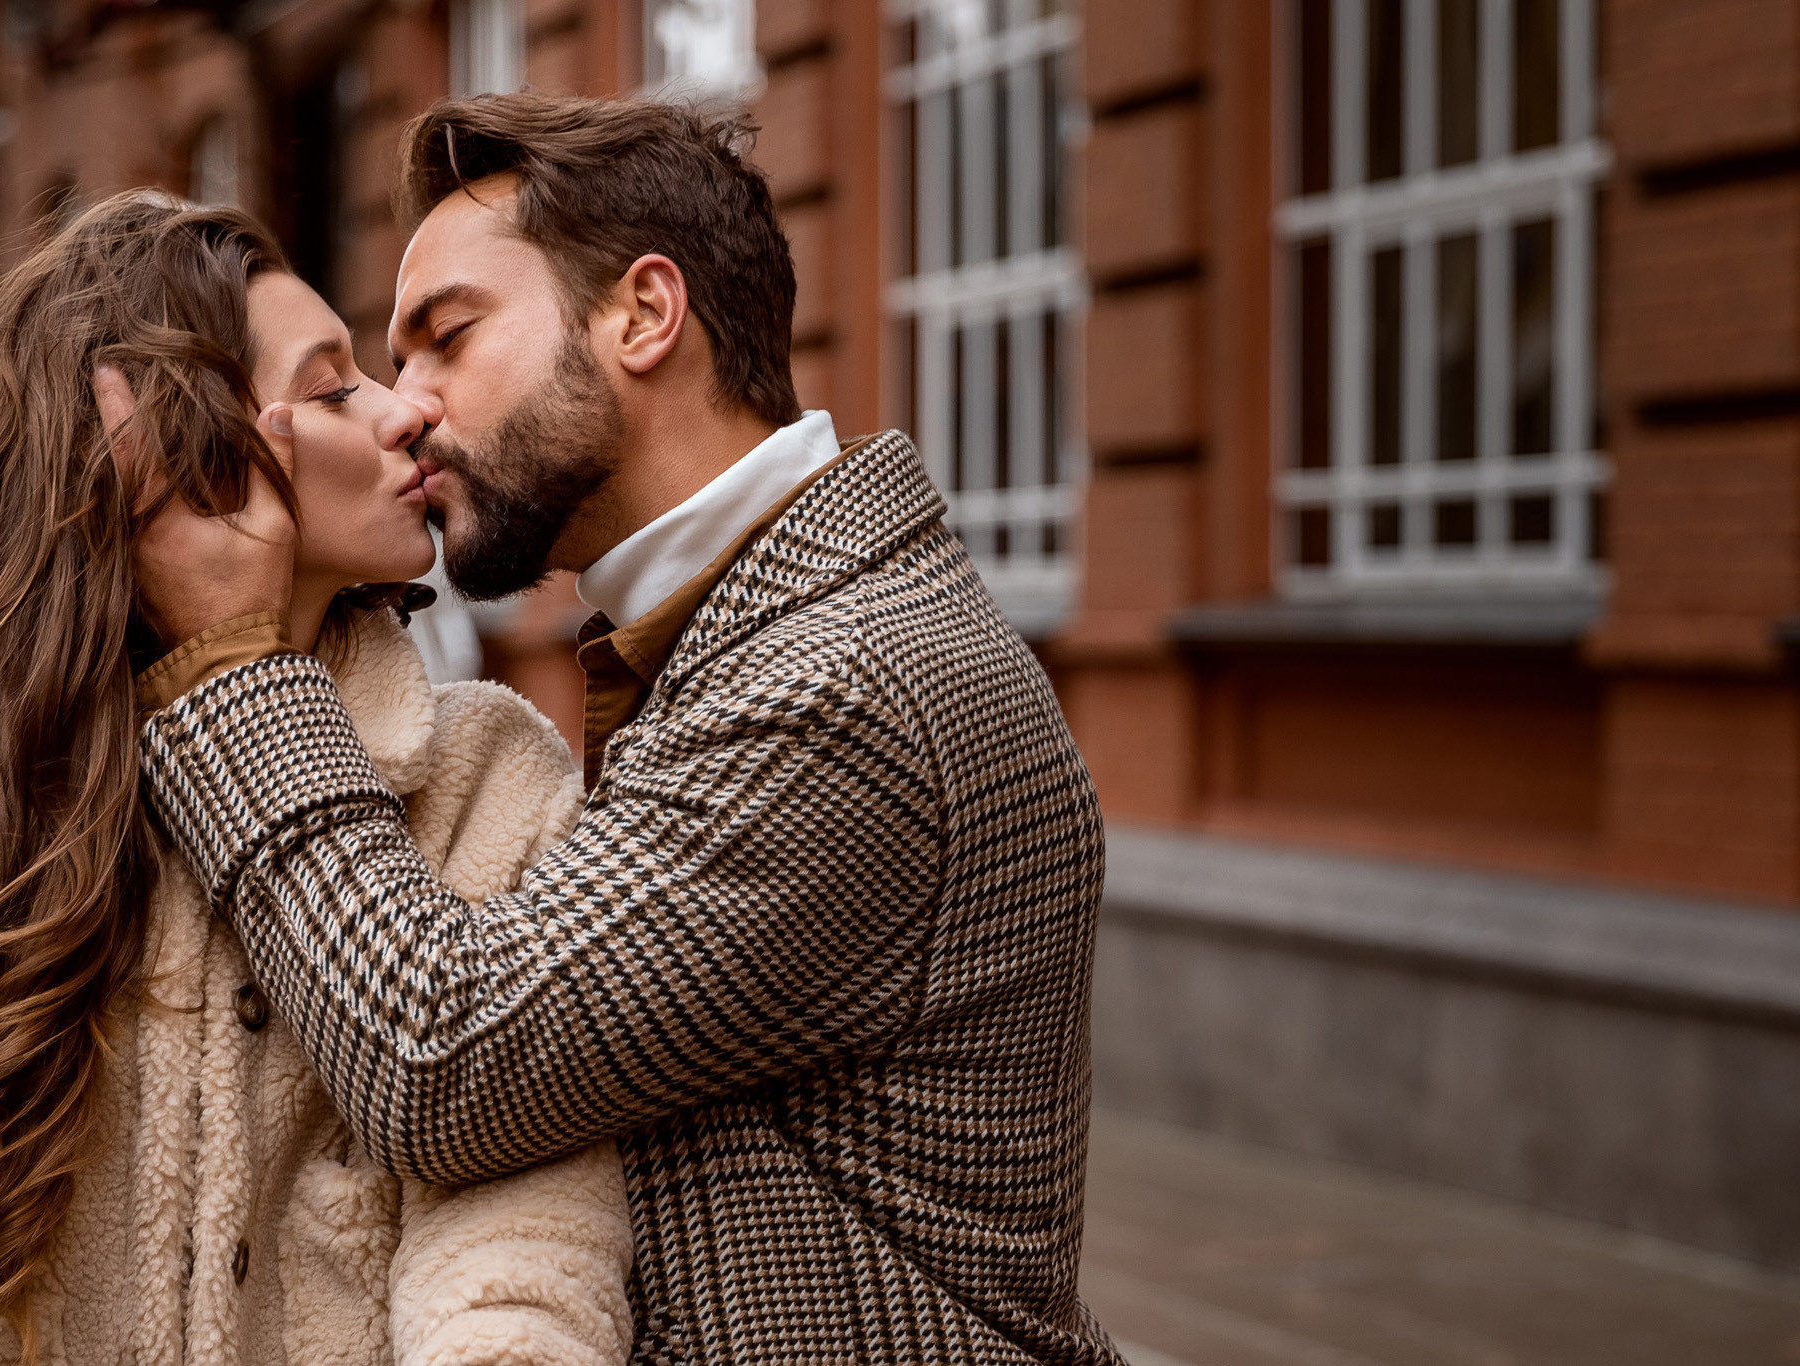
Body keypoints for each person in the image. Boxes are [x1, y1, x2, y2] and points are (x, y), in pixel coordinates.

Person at [128, 95, 1120, 1365]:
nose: (407, 407)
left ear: (644, 315)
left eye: (448, 338)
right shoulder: (740, 630)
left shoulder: (840, 688)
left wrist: (231, 670)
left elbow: (441, 1060)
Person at [0, 192, 634, 1365]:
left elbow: (522, 1247)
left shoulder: (485, 773)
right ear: (174, 448)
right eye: (333, 386)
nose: (408, 412)